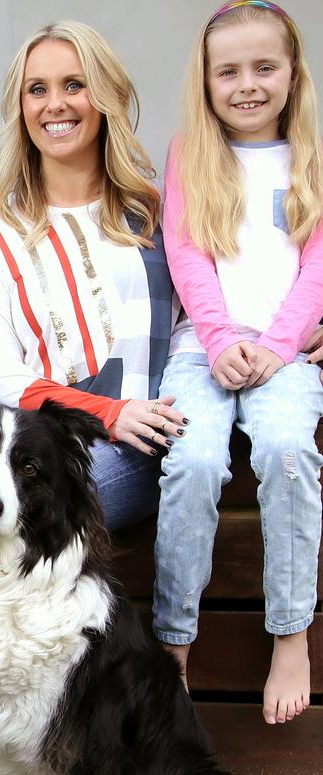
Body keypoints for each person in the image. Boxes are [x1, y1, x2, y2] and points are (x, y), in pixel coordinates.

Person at [153, 1, 323, 725]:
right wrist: (221, 342)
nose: (247, 84)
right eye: (229, 70)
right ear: (207, 78)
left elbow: (317, 265)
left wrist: (281, 345)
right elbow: (185, 255)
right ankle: (173, 648)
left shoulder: (313, 155)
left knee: (287, 450)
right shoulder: (189, 153)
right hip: (204, 348)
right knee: (191, 462)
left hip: (287, 351)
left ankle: (290, 632)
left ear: (292, 73)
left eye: (264, 67)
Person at [0, 20, 188, 533]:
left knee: (42, 521)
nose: (55, 104)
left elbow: (220, 304)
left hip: (152, 439)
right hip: (47, 447)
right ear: (21, 108)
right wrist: (105, 412)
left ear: (103, 96)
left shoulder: (156, 211)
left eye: (74, 84)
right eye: (37, 89)